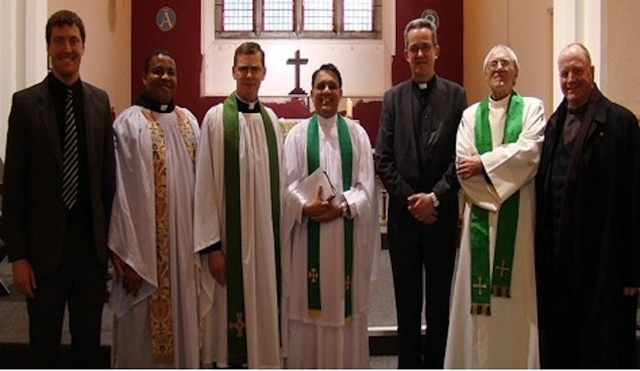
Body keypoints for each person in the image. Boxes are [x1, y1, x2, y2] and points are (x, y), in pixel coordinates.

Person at [2, 10, 115, 368]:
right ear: (48, 48)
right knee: (43, 348)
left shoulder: (99, 102)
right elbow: (14, 186)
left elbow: (107, 183)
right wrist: (18, 256)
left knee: (87, 347)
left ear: (84, 46)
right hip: (43, 252)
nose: (67, 48)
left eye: (74, 41)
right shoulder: (24, 104)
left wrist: (110, 249)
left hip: (89, 253)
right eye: (59, 41)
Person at [535, 42, 640, 368]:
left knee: (603, 350)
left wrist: (632, 270)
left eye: (577, 71)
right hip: (559, 263)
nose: (570, 79)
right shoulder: (553, 125)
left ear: (591, 73)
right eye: (564, 73)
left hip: (604, 265)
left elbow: (635, 199)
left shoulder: (621, 124)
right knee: (563, 346)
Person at [444, 45, 545, 368]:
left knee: (516, 299)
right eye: (493, 64)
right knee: (476, 300)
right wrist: (490, 179)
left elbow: (529, 153)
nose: (499, 69)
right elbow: (463, 167)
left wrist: (484, 163)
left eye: (506, 64)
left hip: (519, 223)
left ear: (517, 73)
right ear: (485, 74)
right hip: (480, 216)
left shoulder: (532, 109)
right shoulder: (470, 115)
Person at [375, 18, 467, 368]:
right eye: (413, 48)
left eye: (425, 46)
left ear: (437, 51)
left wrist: (436, 198)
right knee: (407, 304)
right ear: (405, 53)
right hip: (404, 220)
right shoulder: (393, 98)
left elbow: (461, 155)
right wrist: (413, 201)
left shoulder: (457, 96)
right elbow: (383, 157)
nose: (419, 53)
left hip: (441, 218)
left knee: (440, 302)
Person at [194, 41, 285, 368]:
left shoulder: (272, 122)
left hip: (265, 248)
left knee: (263, 317)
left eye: (254, 68)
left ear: (263, 73)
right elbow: (203, 185)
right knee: (228, 331)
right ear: (233, 71)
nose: (249, 75)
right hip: (228, 249)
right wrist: (212, 247)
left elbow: (283, 186)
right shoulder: (216, 120)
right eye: (243, 68)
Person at [281, 63, 378, 368]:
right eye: (320, 86)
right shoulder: (296, 136)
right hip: (308, 239)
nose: (326, 92)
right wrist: (306, 207)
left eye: (332, 86)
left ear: (340, 92)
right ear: (310, 93)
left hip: (344, 238)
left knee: (344, 314)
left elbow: (366, 188)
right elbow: (288, 187)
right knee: (308, 315)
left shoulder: (357, 135)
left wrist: (341, 207)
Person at [107, 50, 200, 368]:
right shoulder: (128, 124)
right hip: (143, 258)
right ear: (144, 77)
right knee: (140, 341)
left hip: (184, 255)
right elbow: (118, 192)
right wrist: (125, 255)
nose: (165, 77)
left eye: (171, 71)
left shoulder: (189, 123)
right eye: (157, 70)